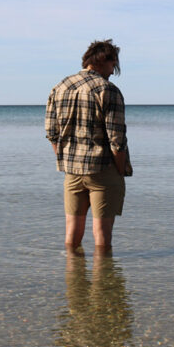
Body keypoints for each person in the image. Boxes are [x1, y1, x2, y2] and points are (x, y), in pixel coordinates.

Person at [46, 39, 131, 255]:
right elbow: (117, 139)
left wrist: (66, 162)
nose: (113, 72)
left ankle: (74, 282)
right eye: (114, 66)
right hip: (103, 168)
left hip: (72, 170)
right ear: (105, 61)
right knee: (102, 234)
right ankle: (104, 283)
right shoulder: (108, 90)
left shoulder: (60, 87)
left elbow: (51, 133)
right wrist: (120, 170)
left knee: (72, 231)